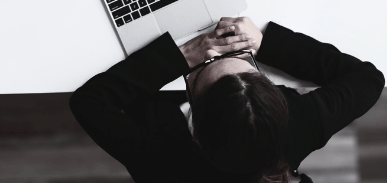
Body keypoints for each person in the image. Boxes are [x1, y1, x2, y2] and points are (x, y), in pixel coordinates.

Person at [70, 16, 384, 183]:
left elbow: (89, 102)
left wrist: (182, 56)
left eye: (203, 71)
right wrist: (265, 43)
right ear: (277, 98)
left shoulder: (156, 159)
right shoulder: (303, 120)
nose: (213, 57)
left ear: (194, 127)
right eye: (248, 65)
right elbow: (370, 79)